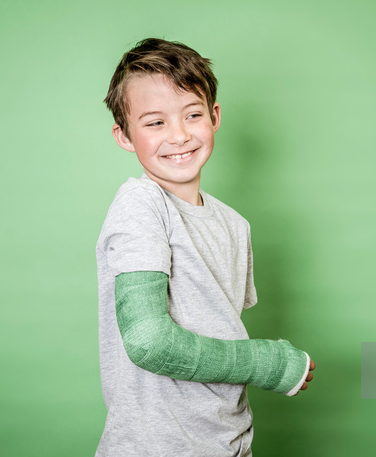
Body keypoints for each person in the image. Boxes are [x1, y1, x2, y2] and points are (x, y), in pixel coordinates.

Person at [95, 38, 315, 456]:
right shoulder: (139, 205)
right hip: (154, 447)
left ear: (214, 117)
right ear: (124, 136)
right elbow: (148, 341)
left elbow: (218, 329)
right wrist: (270, 364)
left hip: (228, 442)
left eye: (192, 115)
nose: (178, 135)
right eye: (154, 123)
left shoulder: (235, 226)